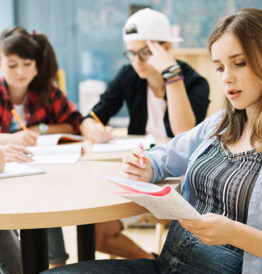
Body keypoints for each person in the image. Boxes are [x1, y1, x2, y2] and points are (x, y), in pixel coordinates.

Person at [30, 8, 262, 274]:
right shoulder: (221, 124)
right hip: (171, 262)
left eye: (239, 63)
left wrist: (233, 233)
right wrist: (146, 166)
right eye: (219, 67)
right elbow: (167, 154)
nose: (226, 78)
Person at [80, 8, 210, 260]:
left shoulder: (195, 83)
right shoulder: (129, 76)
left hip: (180, 180)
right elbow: (93, 115)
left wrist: (171, 74)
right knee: (95, 232)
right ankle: (153, 264)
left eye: (145, 53)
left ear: (166, 48)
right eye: (131, 53)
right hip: (141, 175)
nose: (137, 61)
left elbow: (183, 132)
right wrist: (90, 127)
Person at [0, 26, 83, 274]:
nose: (20, 71)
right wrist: (10, 138)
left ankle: (55, 272)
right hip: (4, 181)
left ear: (36, 66)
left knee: (47, 201)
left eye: (27, 64)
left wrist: (41, 130)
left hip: (42, 171)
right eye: (12, 64)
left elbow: (75, 123)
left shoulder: (46, 91)